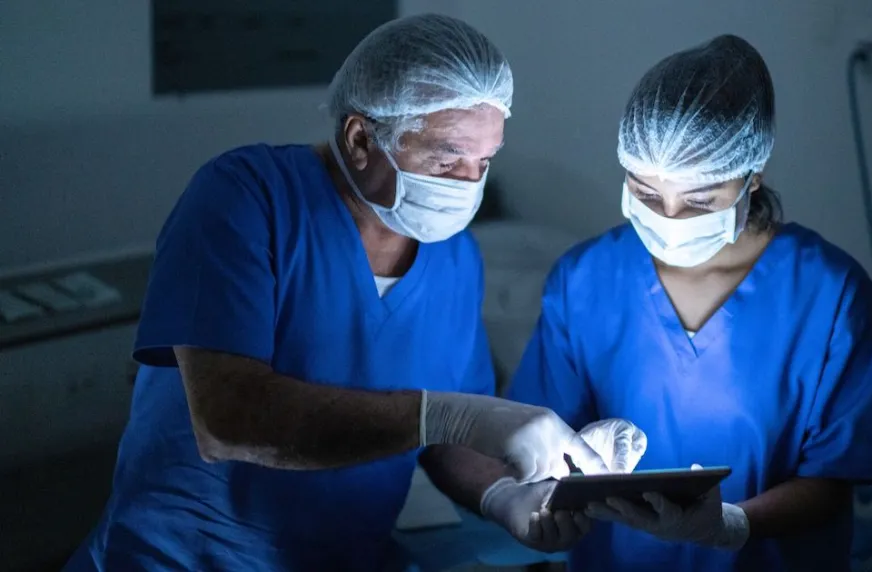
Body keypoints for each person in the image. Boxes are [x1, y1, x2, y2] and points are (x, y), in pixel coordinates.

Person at [63, 14, 621, 571]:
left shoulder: (454, 258)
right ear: (360, 139)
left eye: (484, 161)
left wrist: (509, 497)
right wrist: (448, 417)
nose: (468, 184)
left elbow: (448, 441)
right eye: (447, 159)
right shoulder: (245, 198)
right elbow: (228, 418)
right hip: (185, 556)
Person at [430, 34, 872, 570]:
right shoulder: (586, 280)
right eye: (646, 194)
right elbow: (533, 438)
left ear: (753, 177)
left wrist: (732, 525)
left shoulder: (831, 296)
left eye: (700, 202)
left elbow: (832, 482)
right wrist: (544, 479)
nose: (669, 218)